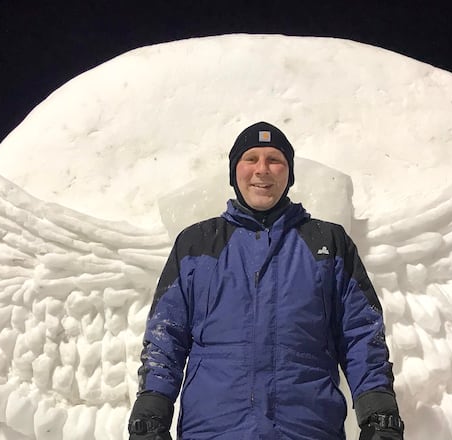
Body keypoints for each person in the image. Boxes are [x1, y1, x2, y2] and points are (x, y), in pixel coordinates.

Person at [128, 122, 404, 440]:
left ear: (288, 173)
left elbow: (360, 334)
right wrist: (150, 411)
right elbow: (166, 337)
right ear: (235, 172)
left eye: (275, 160)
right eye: (251, 159)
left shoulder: (327, 242)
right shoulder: (196, 243)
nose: (263, 170)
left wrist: (379, 413)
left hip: (308, 428)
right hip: (214, 428)